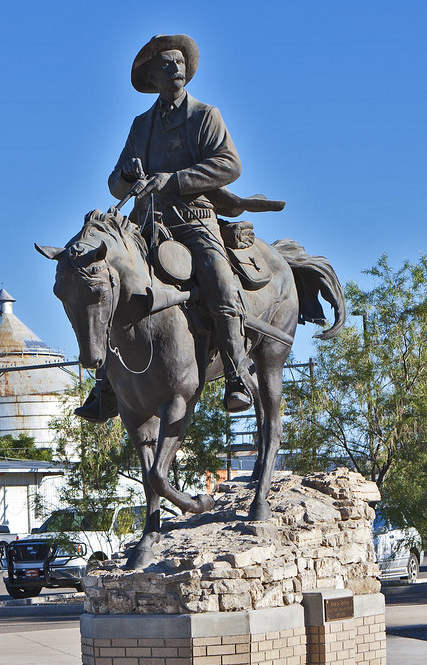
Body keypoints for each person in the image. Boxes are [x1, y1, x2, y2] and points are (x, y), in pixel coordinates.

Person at [75, 34, 253, 423]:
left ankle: (238, 374)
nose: (177, 66)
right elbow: (114, 185)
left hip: (194, 221)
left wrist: (173, 180)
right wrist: (125, 175)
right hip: (145, 225)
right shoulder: (140, 126)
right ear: (152, 77)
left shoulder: (206, 115)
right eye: (167, 63)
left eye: (180, 61)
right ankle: (105, 384)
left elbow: (229, 164)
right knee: (107, 283)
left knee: (219, 278)